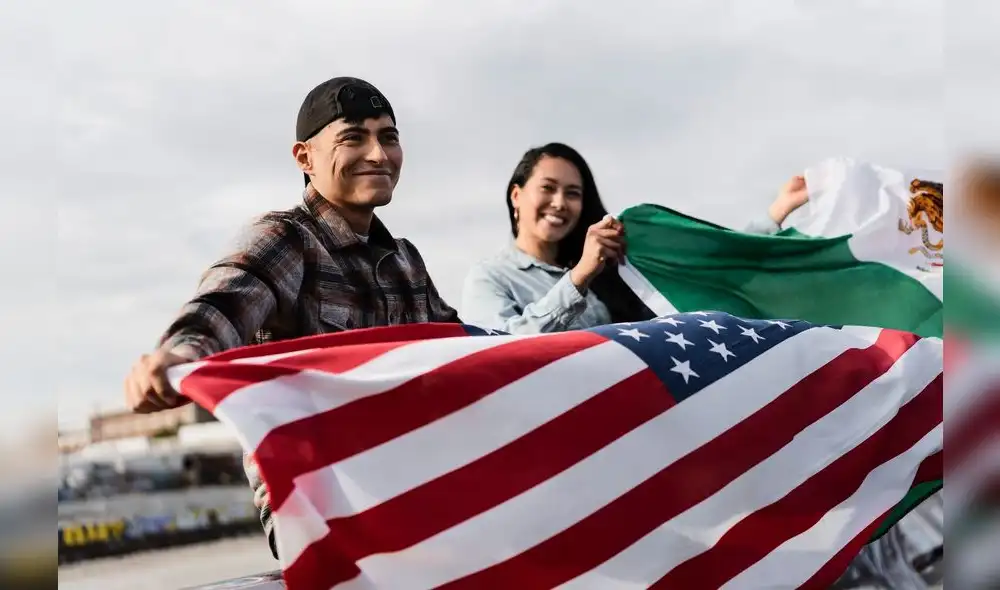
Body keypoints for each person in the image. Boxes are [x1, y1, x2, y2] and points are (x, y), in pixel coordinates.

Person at [122, 76, 459, 557]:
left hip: (413, 499)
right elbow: (225, 300)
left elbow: (470, 348)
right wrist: (177, 355)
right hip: (323, 514)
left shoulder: (406, 261)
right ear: (305, 158)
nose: (379, 154)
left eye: (389, 137)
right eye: (353, 138)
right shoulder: (288, 239)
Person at [461, 143, 809, 334]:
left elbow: (700, 277)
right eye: (548, 189)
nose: (559, 203)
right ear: (517, 196)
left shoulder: (608, 267)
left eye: (573, 193)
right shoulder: (489, 277)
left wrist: (776, 211)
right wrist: (579, 277)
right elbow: (501, 348)